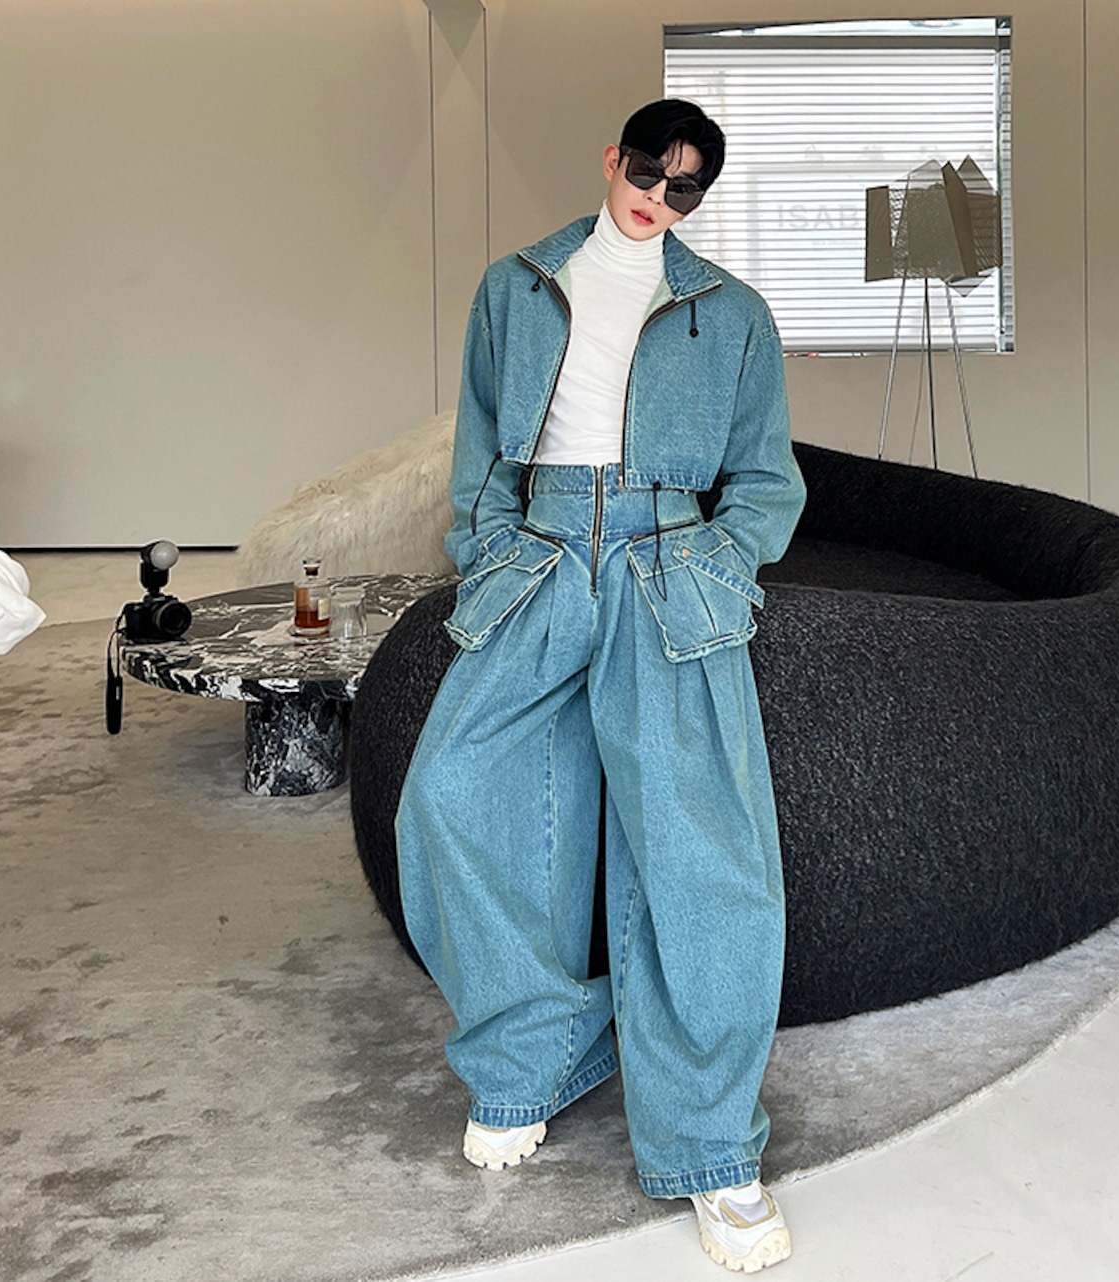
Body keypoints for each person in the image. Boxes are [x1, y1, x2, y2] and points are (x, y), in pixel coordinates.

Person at [395, 98, 805, 1273]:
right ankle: (532, 1049)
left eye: (685, 189)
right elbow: (480, 450)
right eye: (646, 173)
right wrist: (489, 550)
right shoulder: (515, 286)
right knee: (452, 792)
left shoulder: (731, 313)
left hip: (665, 559)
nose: (657, 200)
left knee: (700, 845)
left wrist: (717, 563)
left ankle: (711, 1147)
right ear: (611, 158)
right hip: (537, 555)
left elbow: (765, 479)